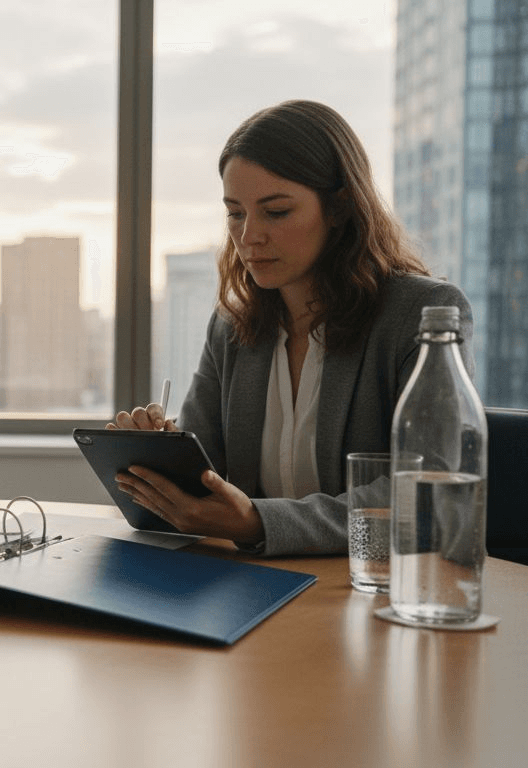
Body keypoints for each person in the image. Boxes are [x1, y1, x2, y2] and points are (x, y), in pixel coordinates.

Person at [108, 99, 472, 556]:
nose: (249, 236)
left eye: (275, 212)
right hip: (250, 588)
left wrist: (259, 522)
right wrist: (162, 465)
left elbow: (427, 497)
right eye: (235, 213)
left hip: (372, 591)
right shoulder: (231, 327)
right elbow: (208, 483)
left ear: (339, 207)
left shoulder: (424, 316)